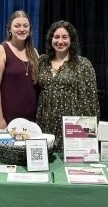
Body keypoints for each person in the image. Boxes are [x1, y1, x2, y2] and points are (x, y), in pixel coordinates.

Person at [36, 20, 100, 151]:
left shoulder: (82, 64)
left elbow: (91, 101)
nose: (60, 41)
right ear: (50, 39)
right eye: (56, 37)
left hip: (72, 126)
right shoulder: (42, 61)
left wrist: (89, 135)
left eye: (65, 37)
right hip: (45, 123)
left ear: (71, 40)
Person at [0, 10, 39, 130]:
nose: (22, 29)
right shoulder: (0, 51)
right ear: (10, 29)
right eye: (17, 26)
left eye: (25, 26)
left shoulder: (34, 53)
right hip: (7, 116)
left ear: (30, 29)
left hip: (30, 119)